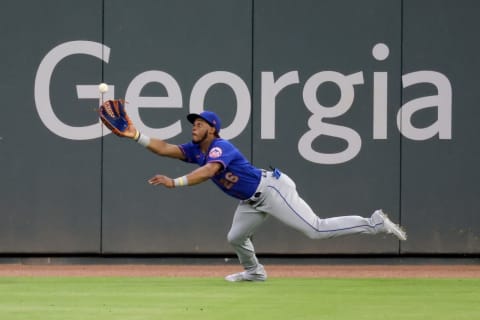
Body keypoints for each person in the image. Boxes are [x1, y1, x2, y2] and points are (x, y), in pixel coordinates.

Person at [112, 109, 407, 282]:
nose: (195, 126)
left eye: (200, 123)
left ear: (213, 129)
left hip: (272, 190)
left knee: (316, 229)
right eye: (194, 123)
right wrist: (136, 136)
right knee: (235, 238)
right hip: (250, 200)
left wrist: (174, 183)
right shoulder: (194, 150)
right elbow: (164, 148)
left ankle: (374, 222)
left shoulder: (221, 148)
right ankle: (255, 272)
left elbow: (209, 172)